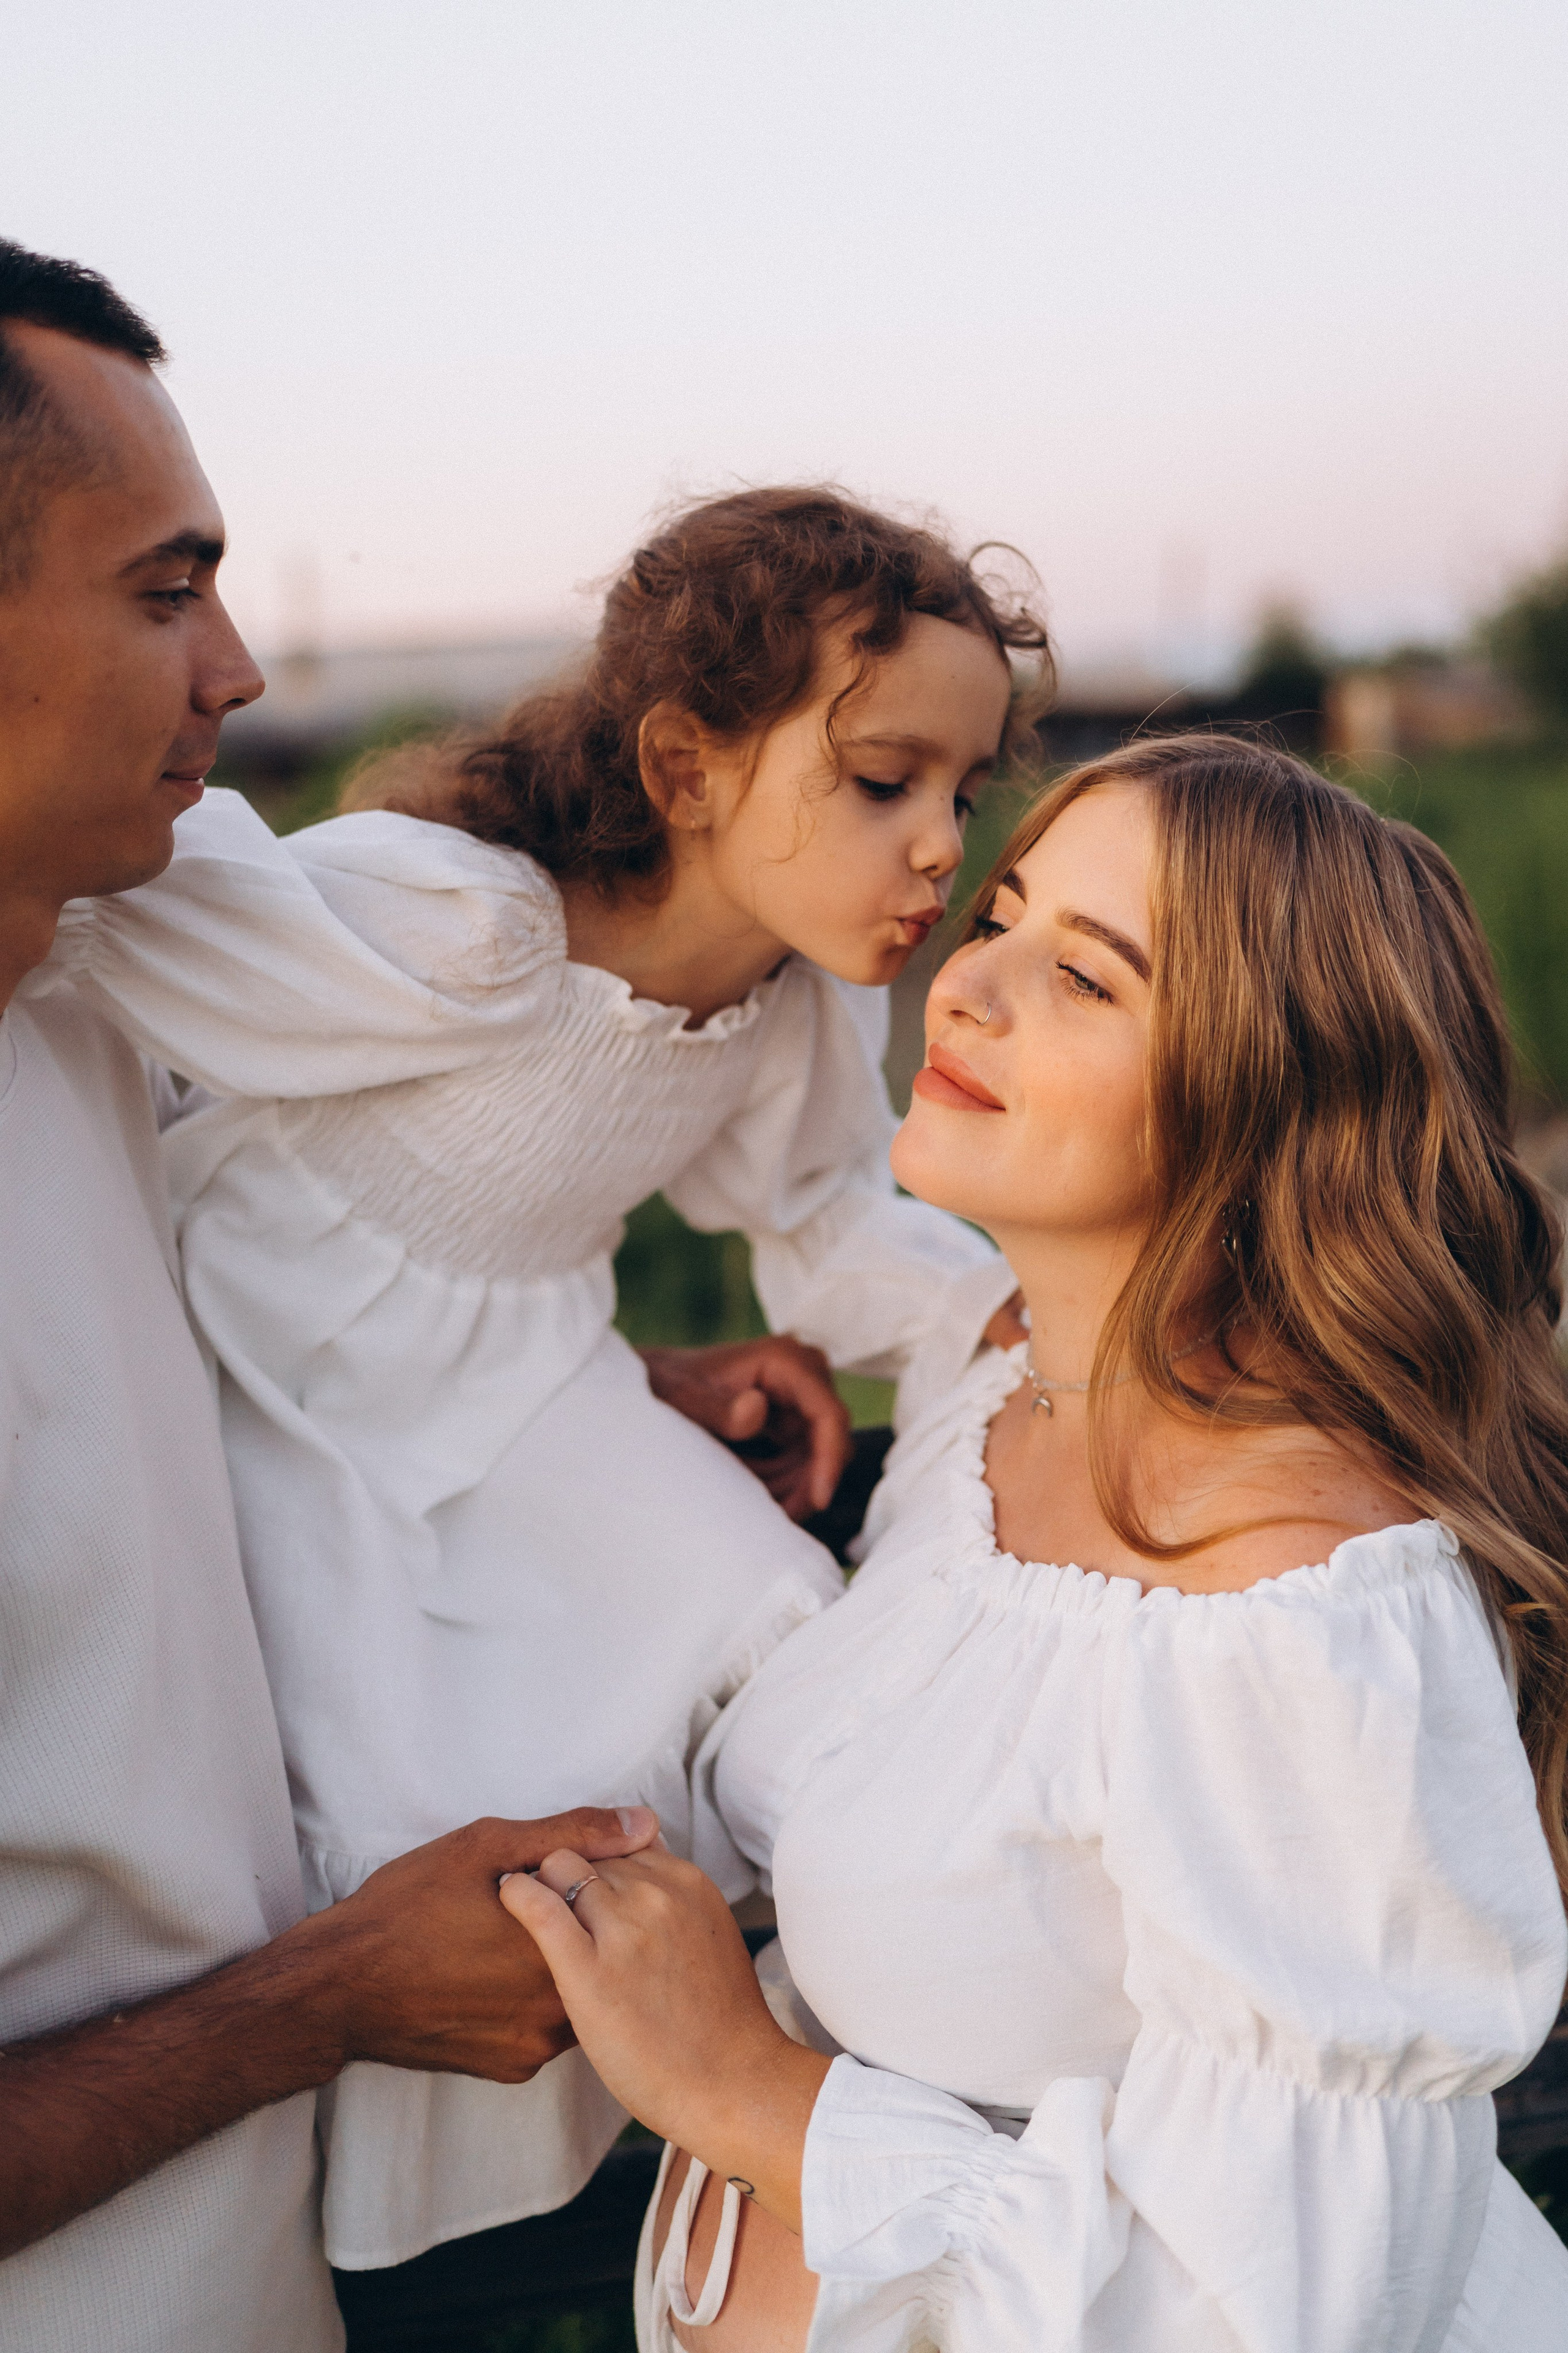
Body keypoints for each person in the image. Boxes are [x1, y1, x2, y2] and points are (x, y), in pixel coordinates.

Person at [44, 484, 1045, 2268]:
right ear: (686, 766)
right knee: (404, 1795)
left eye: (964, 795)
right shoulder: (467, 923)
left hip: (533, 1362)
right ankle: (419, 2224)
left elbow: (824, 1226)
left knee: (768, 1604)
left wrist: (1032, 1316)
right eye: (886, 778)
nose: (937, 848)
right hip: (299, 1382)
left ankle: (863, 2067)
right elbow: (157, 912)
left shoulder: (796, 1003)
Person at [504, 736, 1568, 2350]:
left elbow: (1258, 2318)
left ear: (1267, 1093)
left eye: (1086, 977)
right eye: (998, 913)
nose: (965, 988)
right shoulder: (998, 1370)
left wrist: (739, 2083)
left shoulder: (1295, 1619)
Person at [0, 238, 671, 2353]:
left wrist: (609, 1380)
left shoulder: (94, 990)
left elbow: (280, 1311)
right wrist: (337, 1993)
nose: (241, 669)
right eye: (164, 588)